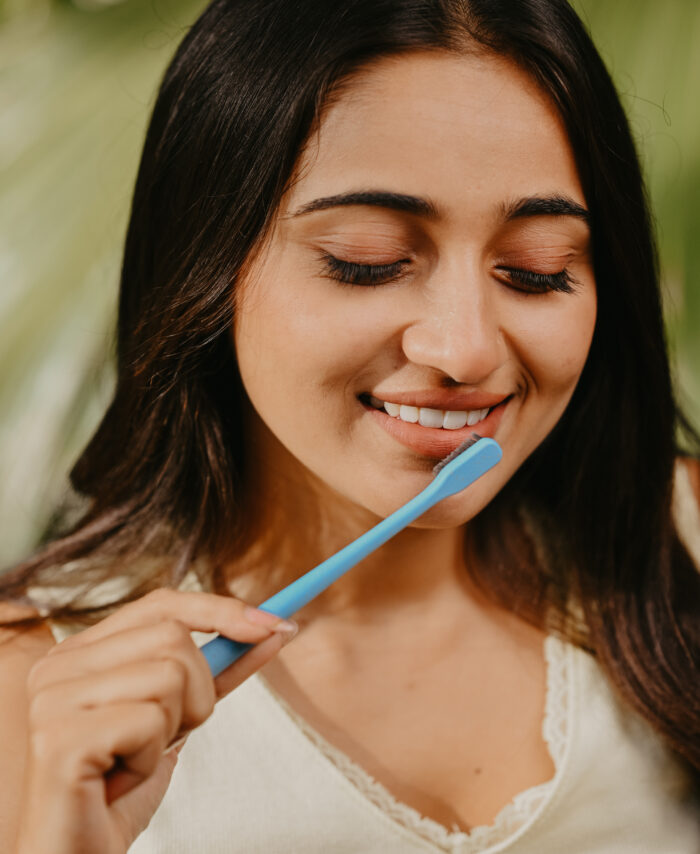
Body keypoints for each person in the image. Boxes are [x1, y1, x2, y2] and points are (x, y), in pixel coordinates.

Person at [1, 0, 699, 851]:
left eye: (536, 272)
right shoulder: (31, 697)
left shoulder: (682, 547)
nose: (467, 349)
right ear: (209, 266)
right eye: (365, 263)